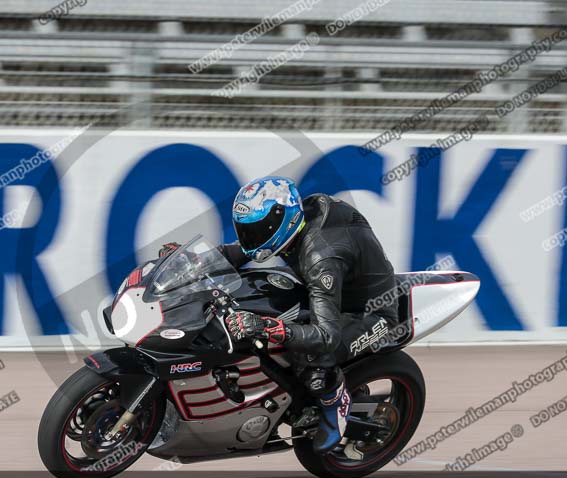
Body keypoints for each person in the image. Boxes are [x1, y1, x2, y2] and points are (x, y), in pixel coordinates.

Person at [160, 176, 398, 452]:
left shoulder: (322, 259)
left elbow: (326, 336)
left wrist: (268, 327)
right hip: (330, 290)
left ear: (281, 221)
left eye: (259, 230)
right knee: (250, 296)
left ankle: (334, 402)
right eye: (248, 230)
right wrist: (193, 263)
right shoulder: (294, 224)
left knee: (308, 352)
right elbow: (239, 252)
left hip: (367, 312)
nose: (251, 238)